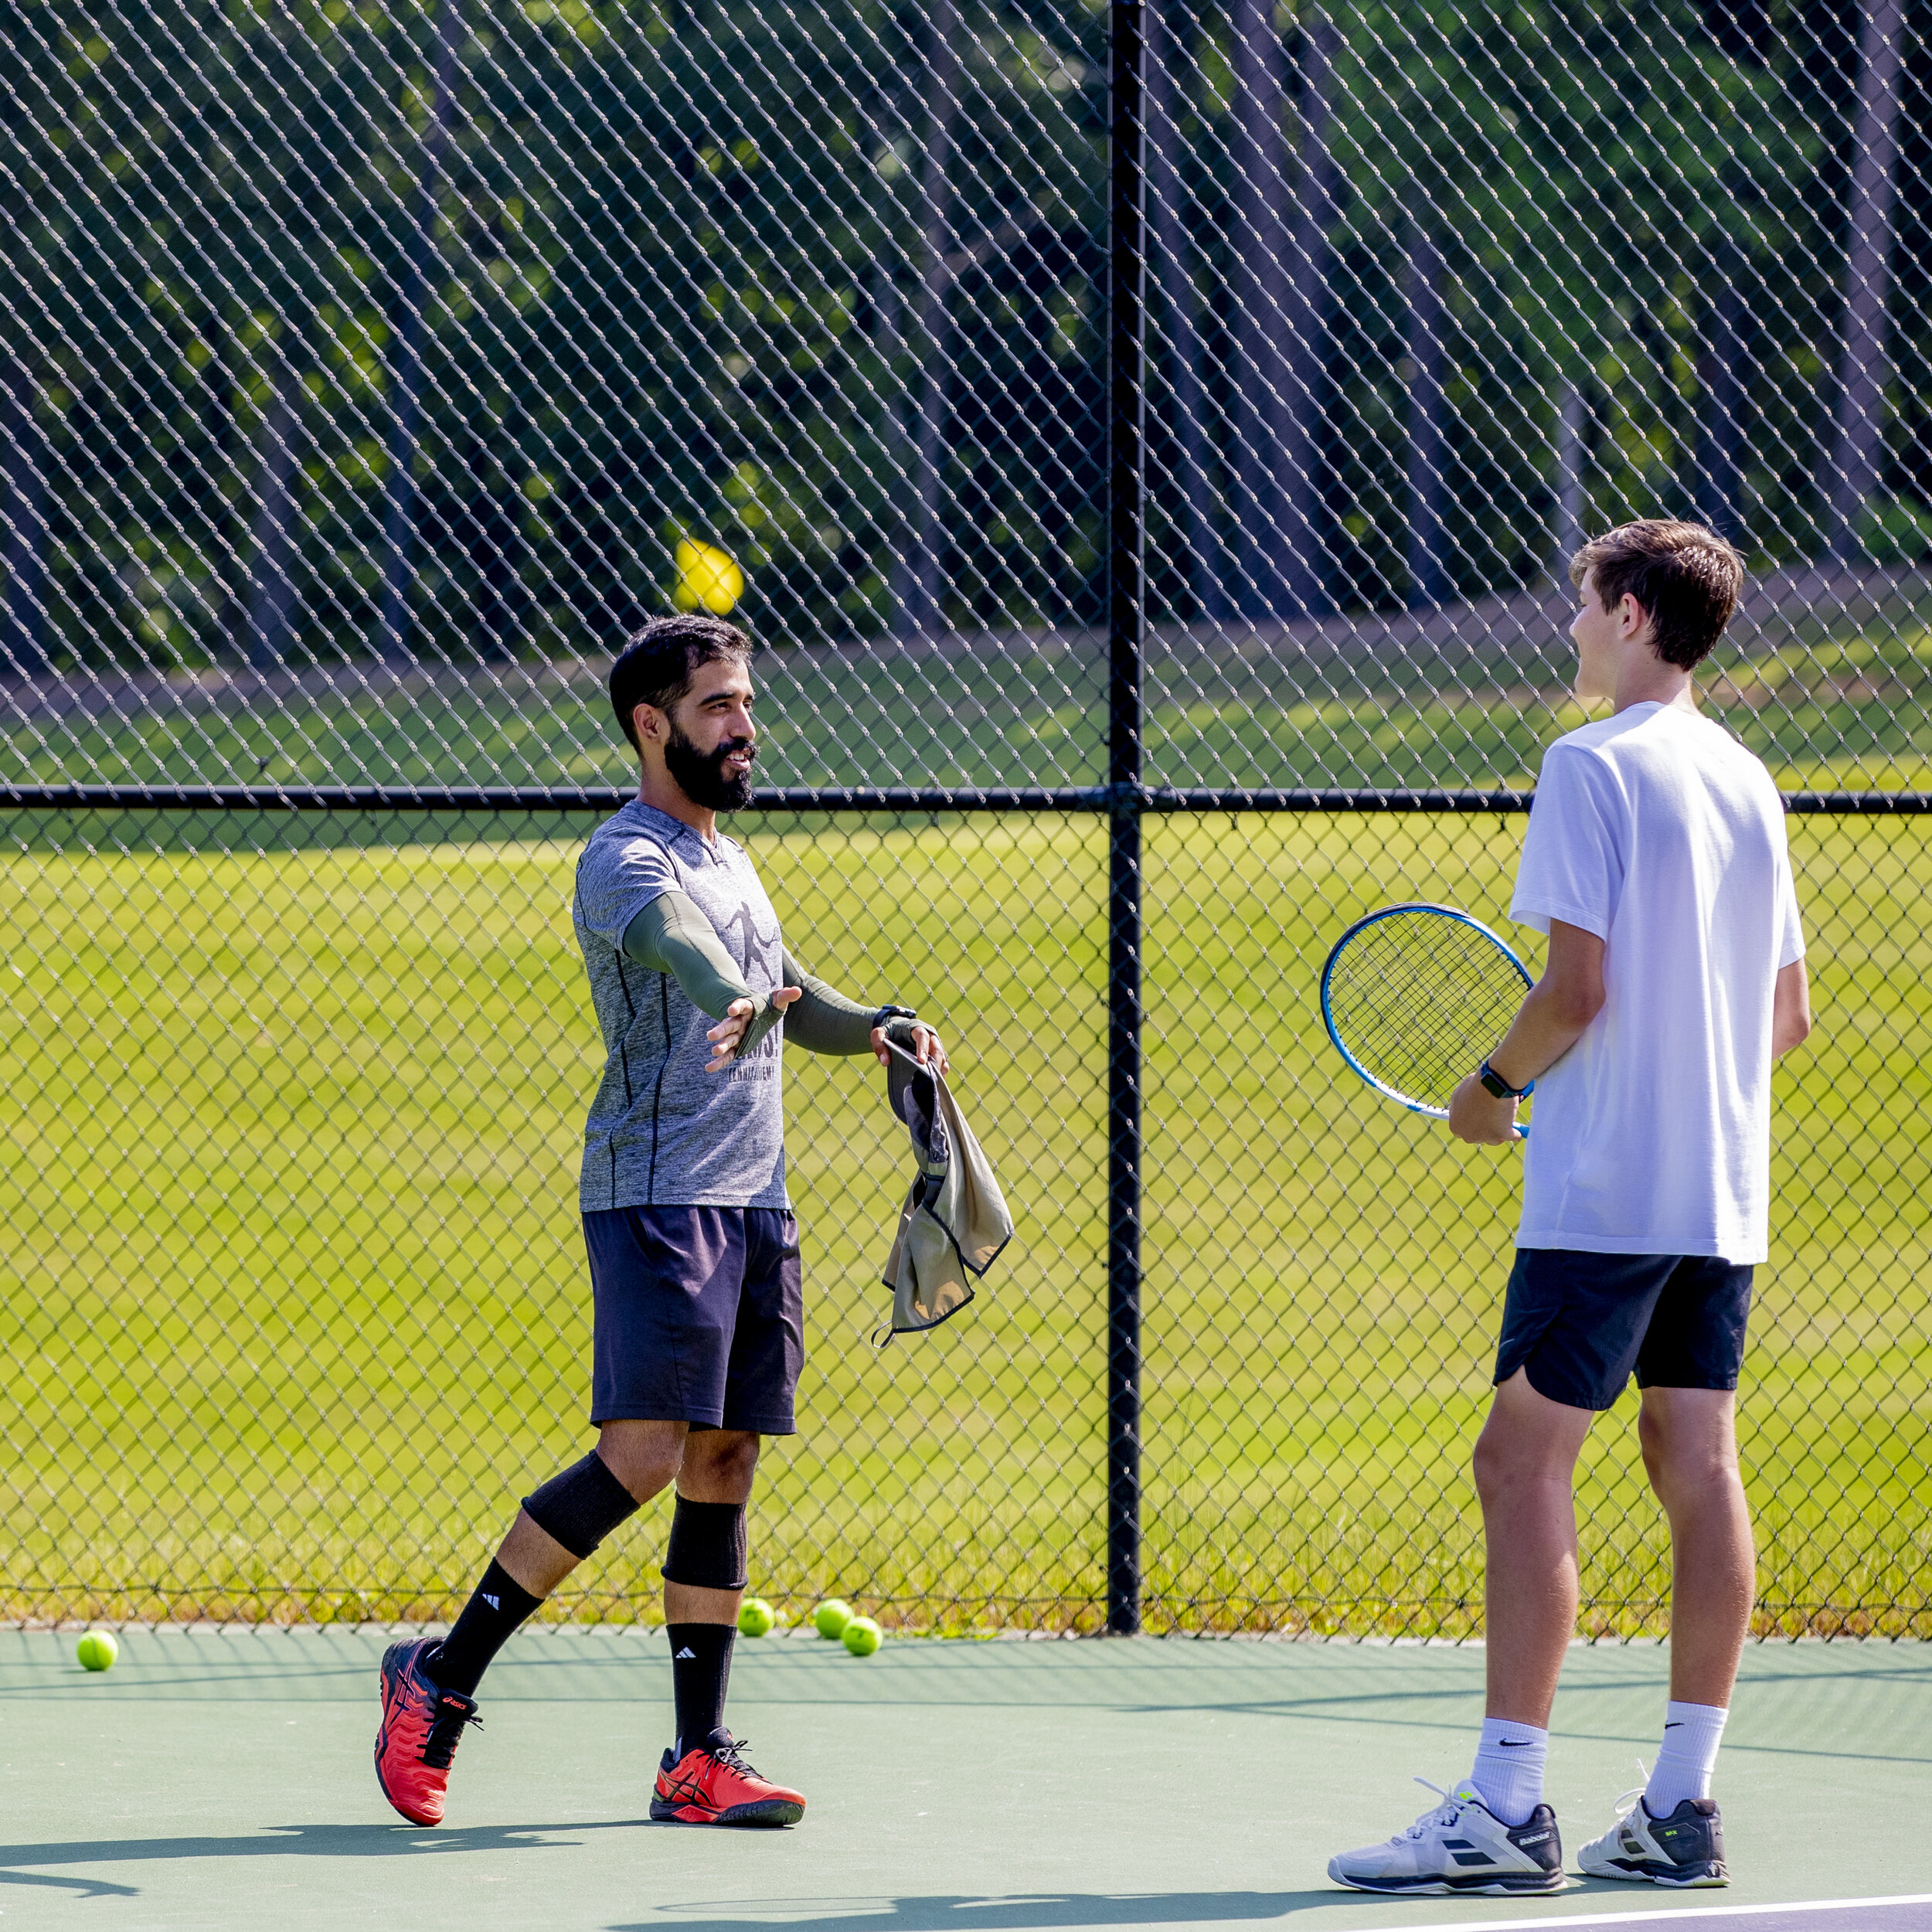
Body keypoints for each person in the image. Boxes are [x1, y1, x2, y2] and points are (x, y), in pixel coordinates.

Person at [372, 613, 946, 1830]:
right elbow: (685, 955)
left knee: (724, 1462)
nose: (745, 727)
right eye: (718, 708)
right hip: (654, 1195)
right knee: (641, 1455)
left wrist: (879, 1026)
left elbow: (793, 1000)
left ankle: (695, 1761)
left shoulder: (734, 859)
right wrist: (727, 994)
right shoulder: (624, 859)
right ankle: (439, 1676)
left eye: (745, 704)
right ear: (652, 725)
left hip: (755, 1198)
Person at [1328, 520, 1811, 1896]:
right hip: (1721, 1196)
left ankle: (1508, 1807)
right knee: (1695, 1462)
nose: (1572, 626)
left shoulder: (1588, 764)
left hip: (1606, 1201)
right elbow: (1786, 1019)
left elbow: (1576, 994)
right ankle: (1681, 1809)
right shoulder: (1752, 780)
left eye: (1587, 604)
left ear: (1639, 614)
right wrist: (1678, 1085)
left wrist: (1491, 1089)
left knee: (1517, 1462)